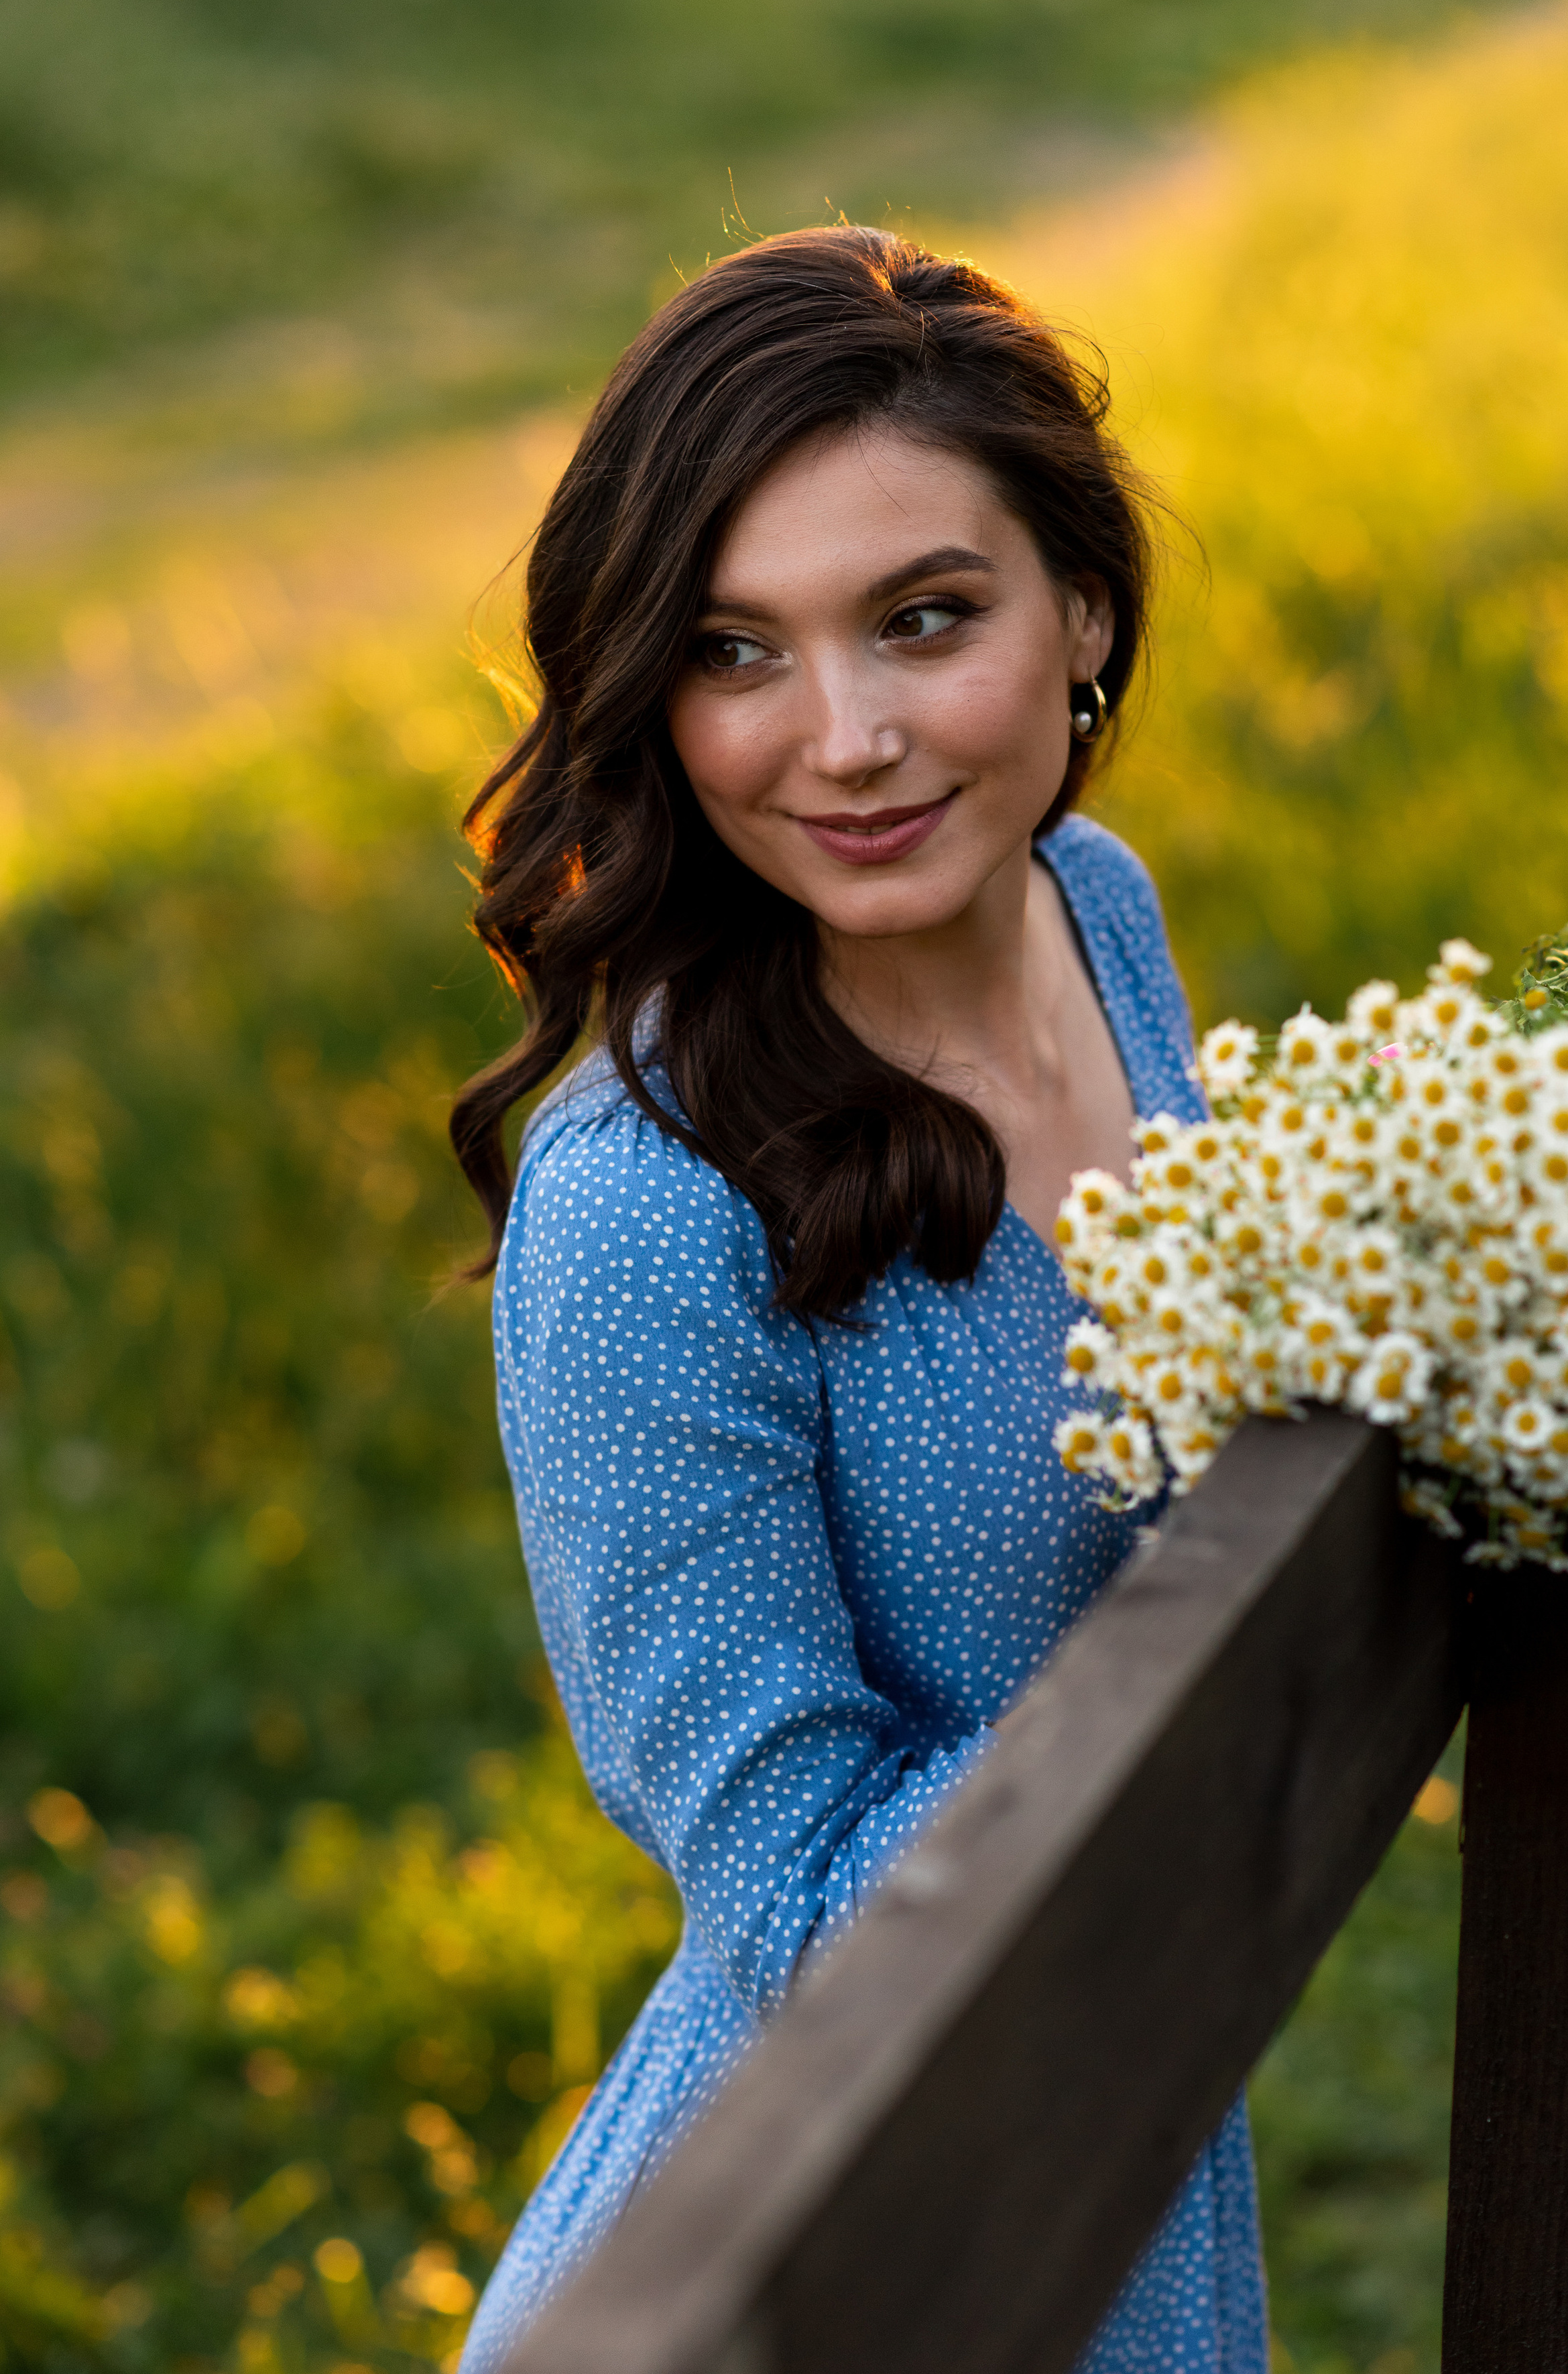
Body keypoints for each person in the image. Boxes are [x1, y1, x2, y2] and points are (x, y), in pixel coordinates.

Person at [450, 227, 1267, 2372]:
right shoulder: (648, 1212)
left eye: (924, 618)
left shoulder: (1095, 909)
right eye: (736, 650)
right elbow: (818, 1908)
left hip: (1131, 2128)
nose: (847, 741)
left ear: (1083, 610)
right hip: (848, 2246)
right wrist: (1252, 1661)